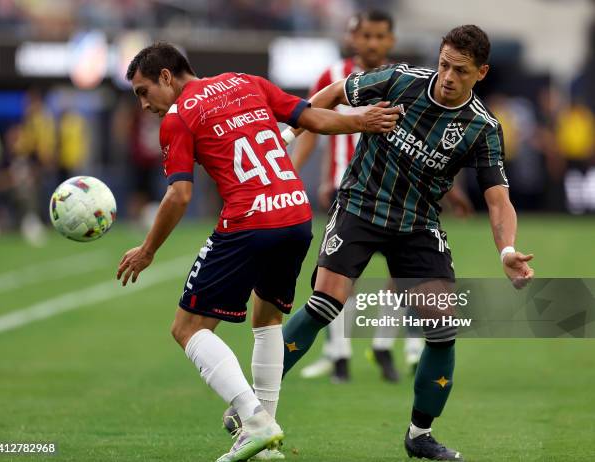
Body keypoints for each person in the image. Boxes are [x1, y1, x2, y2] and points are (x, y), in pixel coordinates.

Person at [226, 25, 535, 460]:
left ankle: (420, 435)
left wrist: (506, 250)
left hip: (417, 223)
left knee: (442, 329)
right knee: (325, 303)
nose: (447, 76)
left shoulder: (481, 128)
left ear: (480, 73)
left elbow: (498, 200)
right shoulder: (400, 81)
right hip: (360, 206)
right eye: (444, 64)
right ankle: (249, 407)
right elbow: (332, 93)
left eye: (460, 71)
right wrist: (288, 135)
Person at [116, 42, 400, 462]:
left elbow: (179, 195)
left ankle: (253, 419)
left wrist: (148, 249)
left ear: (165, 76)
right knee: (267, 319)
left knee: (187, 328)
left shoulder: (178, 117)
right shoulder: (246, 83)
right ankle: (265, 440)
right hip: (295, 214)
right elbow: (311, 118)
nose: (143, 104)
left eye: (143, 91)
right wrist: (361, 121)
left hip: (249, 220)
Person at [292, 10, 473, 383]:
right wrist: (292, 168)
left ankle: (382, 345)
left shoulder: (407, 79)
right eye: (366, 36)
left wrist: (452, 193)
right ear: (352, 38)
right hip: (348, 188)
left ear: (390, 40)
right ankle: (339, 355)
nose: (372, 43)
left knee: (400, 280)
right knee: (341, 279)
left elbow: (428, 149)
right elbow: (311, 122)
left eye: (380, 37)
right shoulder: (332, 76)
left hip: (401, 196)